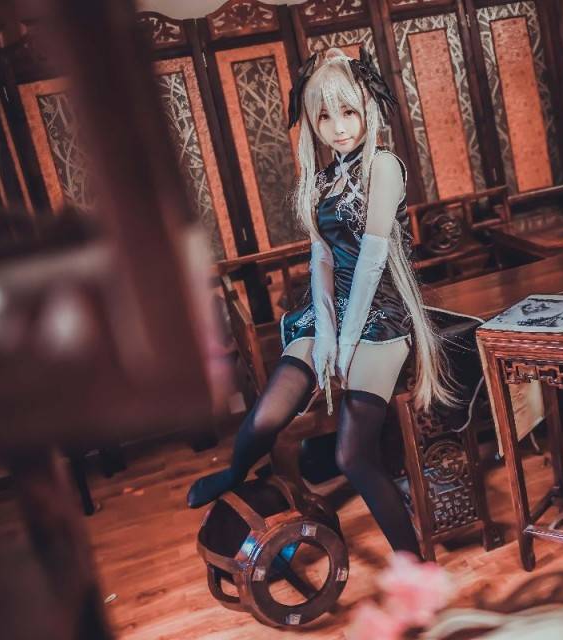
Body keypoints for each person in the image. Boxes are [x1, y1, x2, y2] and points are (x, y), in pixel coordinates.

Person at [187, 47, 457, 558]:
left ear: (367, 108)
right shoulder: (322, 179)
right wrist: (327, 336)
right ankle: (235, 471)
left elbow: (373, 261)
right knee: (268, 412)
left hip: (383, 314)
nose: (338, 127)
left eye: (348, 111)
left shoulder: (384, 166)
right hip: (334, 310)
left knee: (353, 455)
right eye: (325, 117)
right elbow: (323, 263)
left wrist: (347, 342)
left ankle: (414, 565)